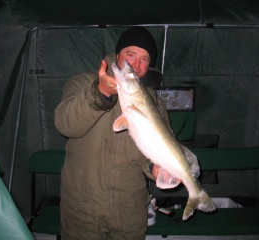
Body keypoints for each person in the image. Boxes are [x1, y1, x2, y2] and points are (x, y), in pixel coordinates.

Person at [55, 26, 168, 240]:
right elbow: (64, 124)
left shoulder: (154, 103)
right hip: (83, 209)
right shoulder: (83, 82)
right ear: (117, 55)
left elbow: (149, 155)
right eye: (130, 54)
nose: (136, 64)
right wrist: (100, 93)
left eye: (144, 59)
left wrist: (154, 167)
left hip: (129, 210)